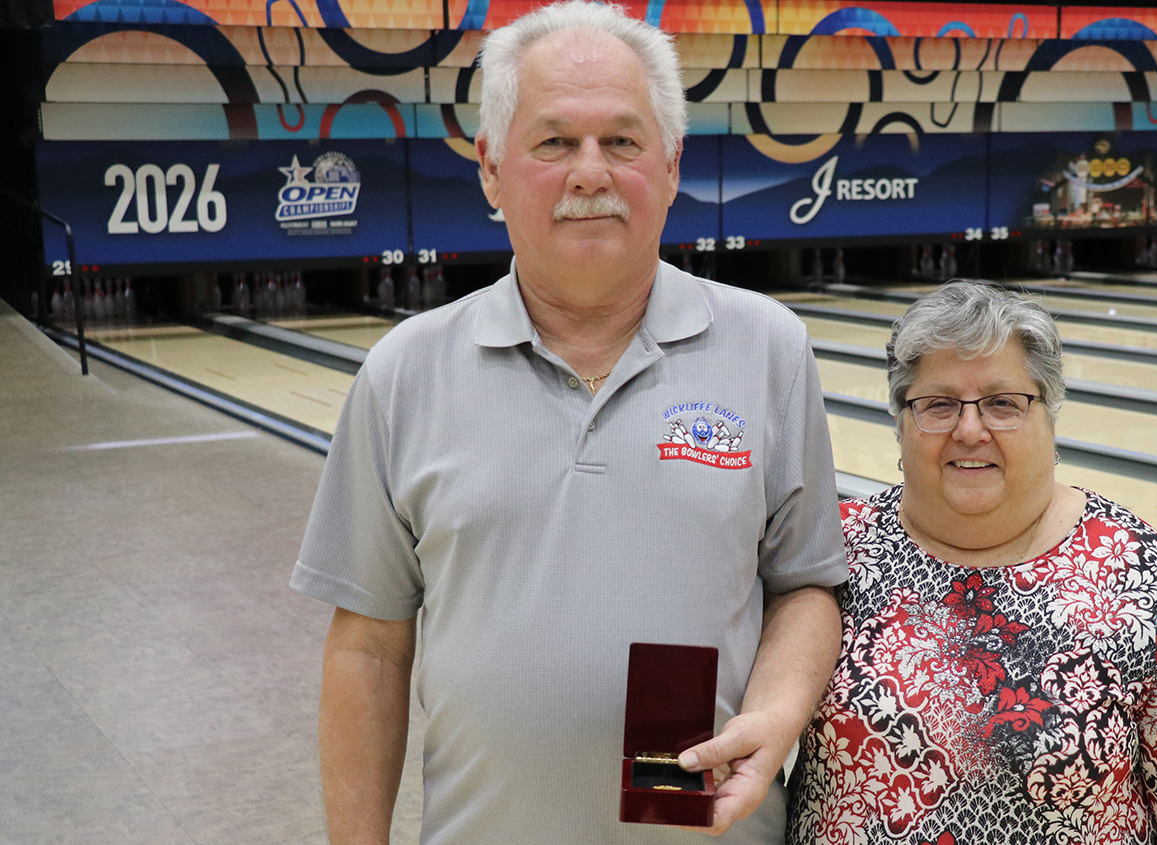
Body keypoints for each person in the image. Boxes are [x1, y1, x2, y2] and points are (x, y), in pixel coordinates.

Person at [290, 3, 846, 843]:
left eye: (622, 141)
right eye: (554, 142)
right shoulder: (404, 371)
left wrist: (773, 711)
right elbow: (368, 648)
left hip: (703, 829)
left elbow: (805, 581)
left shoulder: (767, 347)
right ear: (490, 168)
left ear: (669, 166)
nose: (591, 172)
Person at [787, 282, 1157, 845]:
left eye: (1003, 404)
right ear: (901, 422)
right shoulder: (832, 552)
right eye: (939, 404)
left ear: (1049, 417)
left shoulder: (1150, 582)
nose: (970, 430)